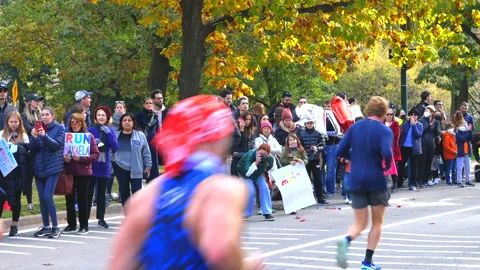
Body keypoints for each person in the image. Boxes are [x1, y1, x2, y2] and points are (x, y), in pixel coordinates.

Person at [109, 95, 261, 269]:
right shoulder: (222, 188)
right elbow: (220, 248)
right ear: (219, 137)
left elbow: (118, 265)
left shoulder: (147, 197)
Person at [335, 96, 393, 270]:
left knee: (360, 223)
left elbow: (339, 150)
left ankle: (346, 239)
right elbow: (387, 153)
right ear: (383, 112)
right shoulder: (384, 130)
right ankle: (367, 262)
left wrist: (355, 158)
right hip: (375, 178)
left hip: (356, 178)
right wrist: (387, 165)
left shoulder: (355, 127)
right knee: (377, 223)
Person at [30, 107, 65, 238]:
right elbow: (33, 149)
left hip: (53, 166)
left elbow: (56, 145)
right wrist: (33, 138)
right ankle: (46, 226)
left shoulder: (60, 128)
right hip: (39, 166)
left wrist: (44, 136)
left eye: (47, 114)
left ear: (53, 116)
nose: (44, 117)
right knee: (41, 199)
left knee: (47, 196)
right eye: (42, 115)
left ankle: (55, 227)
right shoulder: (39, 128)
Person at [62, 113, 100, 235]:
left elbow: (95, 155)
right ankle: (71, 224)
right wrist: (65, 159)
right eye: (72, 122)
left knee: (82, 199)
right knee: (69, 198)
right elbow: (61, 152)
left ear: (82, 123)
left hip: (83, 171)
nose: (75, 125)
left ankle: (84, 225)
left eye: (77, 122)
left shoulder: (88, 136)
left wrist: (82, 158)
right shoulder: (67, 136)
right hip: (69, 171)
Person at [87, 106, 119, 229]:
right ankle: (86, 217)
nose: (101, 117)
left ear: (107, 118)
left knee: (101, 193)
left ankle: (101, 218)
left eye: (103, 115)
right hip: (92, 163)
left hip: (104, 164)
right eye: (99, 115)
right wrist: (95, 142)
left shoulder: (110, 130)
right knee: (88, 192)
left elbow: (115, 146)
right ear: (95, 117)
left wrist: (109, 134)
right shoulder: (90, 130)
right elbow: (87, 145)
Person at [0, 111, 29, 236]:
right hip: (3, 170)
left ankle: (14, 225)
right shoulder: (2, 134)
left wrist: (20, 144)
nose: (13, 124)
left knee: (16, 199)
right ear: (7, 122)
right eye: (11, 122)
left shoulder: (23, 135)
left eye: (15, 122)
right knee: (1, 197)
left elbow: (28, 152)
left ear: (19, 122)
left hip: (17, 171)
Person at [113, 113, 152, 206]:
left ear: (133, 122)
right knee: (124, 192)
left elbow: (146, 152)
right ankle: (128, 215)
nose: (127, 122)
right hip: (120, 167)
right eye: (124, 120)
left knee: (137, 194)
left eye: (129, 120)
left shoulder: (140, 135)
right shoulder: (115, 135)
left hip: (136, 167)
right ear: (121, 123)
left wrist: (148, 165)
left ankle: (137, 215)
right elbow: (109, 149)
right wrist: (112, 158)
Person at [237, 143, 276, 221]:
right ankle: (246, 213)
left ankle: (267, 212)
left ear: (268, 154)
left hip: (258, 173)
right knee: (251, 190)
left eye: (264, 155)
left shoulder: (270, 158)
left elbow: (270, 167)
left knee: (265, 187)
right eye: (260, 153)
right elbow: (247, 172)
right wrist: (256, 162)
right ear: (257, 150)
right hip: (245, 173)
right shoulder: (250, 154)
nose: (262, 156)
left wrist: (263, 167)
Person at [21, 93, 43, 211]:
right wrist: (37, 128)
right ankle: (29, 202)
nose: (38, 103)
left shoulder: (41, 115)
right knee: (29, 176)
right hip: (29, 149)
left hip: (40, 148)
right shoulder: (24, 115)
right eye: (36, 101)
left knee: (40, 175)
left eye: (39, 101)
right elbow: (28, 129)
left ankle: (42, 199)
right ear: (30, 102)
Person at [300, 117, 329, 204]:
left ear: (313, 123)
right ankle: (305, 199)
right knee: (305, 180)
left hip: (316, 160)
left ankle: (320, 198)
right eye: (308, 123)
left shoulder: (318, 133)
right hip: (305, 160)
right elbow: (299, 146)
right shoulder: (301, 134)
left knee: (318, 179)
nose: (309, 124)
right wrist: (303, 150)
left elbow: (323, 146)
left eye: (311, 123)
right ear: (305, 124)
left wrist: (317, 148)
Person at [397, 108, 423, 190]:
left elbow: (418, 135)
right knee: (401, 165)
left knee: (414, 166)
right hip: (404, 147)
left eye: (415, 115)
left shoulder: (419, 125)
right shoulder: (405, 124)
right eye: (411, 114)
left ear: (417, 117)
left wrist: (414, 125)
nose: (413, 116)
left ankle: (413, 183)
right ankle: (399, 183)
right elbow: (401, 135)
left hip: (414, 148)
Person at [135, 98, 160, 183]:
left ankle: (152, 180)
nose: (149, 105)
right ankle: (141, 178)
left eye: (150, 103)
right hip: (141, 141)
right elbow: (135, 128)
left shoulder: (155, 117)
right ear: (144, 104)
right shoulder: (138, 116)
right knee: (141, 159)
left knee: (152, 160)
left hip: (152, 142)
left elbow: (158, 131)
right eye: (147, 103)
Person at [418, 105, 441, 187]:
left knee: (429, 163)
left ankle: (426, 179)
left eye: (428, 111)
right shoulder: (421, 120)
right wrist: (430, 125)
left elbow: (437, 133)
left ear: (432, 113)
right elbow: (422, 131)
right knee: (422, 162)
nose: (426, 112)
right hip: (423, 143)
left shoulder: (436, 121)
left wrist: (436, 129)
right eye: (425, 111)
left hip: (431, 144)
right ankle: (420, 180)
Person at [453, 111, 474, 187]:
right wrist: (468, 131)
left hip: (467, 149)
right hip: (460, 149)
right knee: (459, 166)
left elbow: (471, 138)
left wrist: (470, 130)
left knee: (468, 166)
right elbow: (461, 138)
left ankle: (468, 180)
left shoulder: (466, 131)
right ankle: (459, 181)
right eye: (462, 124)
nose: (464, 125)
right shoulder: (456, 130)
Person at [231, 111, 255, 176]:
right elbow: (237, 143)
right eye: (246, 119)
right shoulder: (236, 129)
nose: (248, 121)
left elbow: (252, 143)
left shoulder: (250, 130)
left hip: (247, 154)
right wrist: (241, 131)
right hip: (239, 155)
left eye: (250, 119)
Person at [384, 108, 401, 192]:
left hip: (393, 148)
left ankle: (394, 185)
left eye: (391, 114)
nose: (389, 116)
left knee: (394, 167)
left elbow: (396, 135)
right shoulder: (381, 124)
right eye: (387, 114)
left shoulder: (395, 124)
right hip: (383, 149)